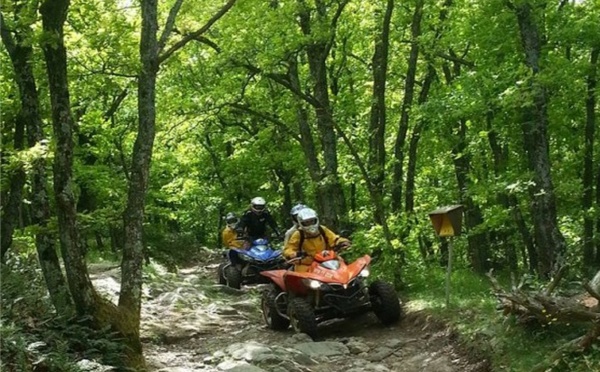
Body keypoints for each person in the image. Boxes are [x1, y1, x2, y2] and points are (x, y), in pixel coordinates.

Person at [283, 208, 350, 272]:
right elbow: (288, 249)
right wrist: (294, 254)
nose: (310, 224)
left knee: (344, 266)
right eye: (306, 222)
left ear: (316, 220)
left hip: (327, 258)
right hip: (307, 263)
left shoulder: (322, 229)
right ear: (301, 223)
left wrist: (342, 242)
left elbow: (334, 238)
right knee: (301, 278)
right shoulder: (298, 234)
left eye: (312, 221)